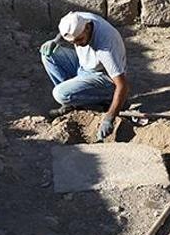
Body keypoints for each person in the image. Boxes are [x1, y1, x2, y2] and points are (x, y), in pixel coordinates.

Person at [40, 11, 129, 141]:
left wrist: (109, 118)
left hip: (104, 77)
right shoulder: (78, 19)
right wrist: (55, 41)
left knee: (60, 94)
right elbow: (66, 30)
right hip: (84, 66)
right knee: (48, 54)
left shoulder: (105, 46)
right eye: (73, 42)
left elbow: (122, 85)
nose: (77, 44)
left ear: (87, 28)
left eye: (79, 40)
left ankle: (106, 98)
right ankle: (73, 101)